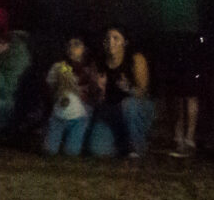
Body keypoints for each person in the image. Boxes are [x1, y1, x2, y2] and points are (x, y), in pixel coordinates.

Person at [86, 25, 155, 158]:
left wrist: (129, 89)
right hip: (111, 111)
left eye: (115, 38)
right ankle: (123, 145)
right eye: (107, 39)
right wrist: (99, 89)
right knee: (97, 150)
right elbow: (95, 100)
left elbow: (143, 92)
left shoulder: (136, 59)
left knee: (129, 104)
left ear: (125, 42)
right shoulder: (98, 63)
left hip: (136, 109)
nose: (111, 42)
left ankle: (137, 148)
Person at [40, 35, 97, 156]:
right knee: (49, 150)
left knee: (72, 152)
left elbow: (94, 93)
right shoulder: (59, 67)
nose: (71, 48)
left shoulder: (90, 69)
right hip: (60, 111)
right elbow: (49, 88)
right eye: (69, 45)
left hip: (81, 113)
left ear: (85, 49)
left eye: (76, 45)